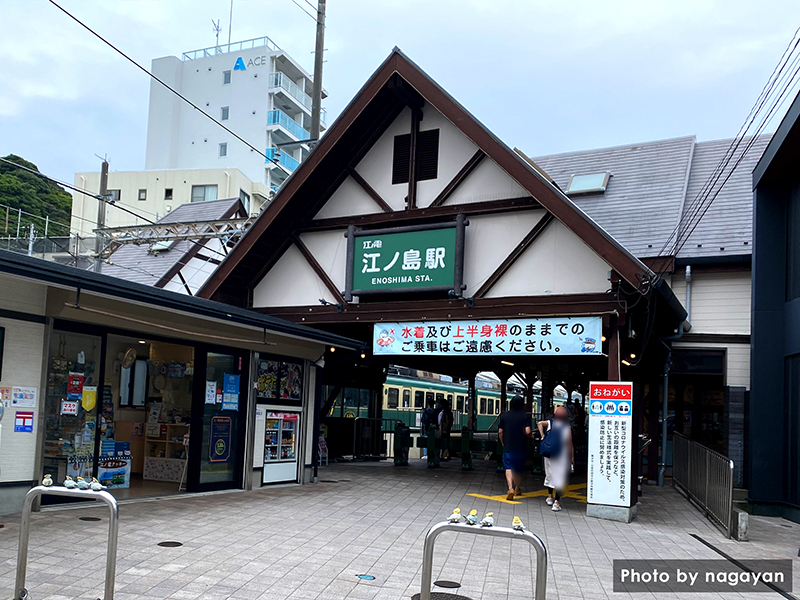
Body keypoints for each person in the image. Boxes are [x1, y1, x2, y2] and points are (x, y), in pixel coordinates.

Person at [538, 406, 573, 512]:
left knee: (550, 475)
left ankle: (550, 497)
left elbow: (539, 423)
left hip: (548, 454)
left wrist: (542, 436)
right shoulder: (567, 427)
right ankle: (556, 503)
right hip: (560, 454)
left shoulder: (550, 423)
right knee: (560, 477)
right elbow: (568, 443)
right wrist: (571, 457)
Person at [498, 395, 532, 500]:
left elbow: (500, 431)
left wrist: (503, 442)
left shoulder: (504, 416)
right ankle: (517, 488)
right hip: (521, 446)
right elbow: (528, 431)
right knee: (518, 468)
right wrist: (530, 438)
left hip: (508, 446)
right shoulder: (526, 416)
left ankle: (510, 488)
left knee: (508, 467)